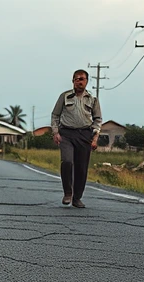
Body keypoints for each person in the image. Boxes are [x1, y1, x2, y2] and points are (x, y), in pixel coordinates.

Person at [50, 69, 102, 208]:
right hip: (66, 134)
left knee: (81, 167)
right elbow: (55, 115)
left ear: (86, 81)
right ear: (73, 81)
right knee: (67, 161)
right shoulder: (65, 97)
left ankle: (77, 197)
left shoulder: (92, 99)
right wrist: (56, 132)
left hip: (85, 135)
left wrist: (95, 137)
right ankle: (68, 192)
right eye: (77, 79)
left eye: (82, 79)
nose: (79, 81)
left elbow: (97, 119)